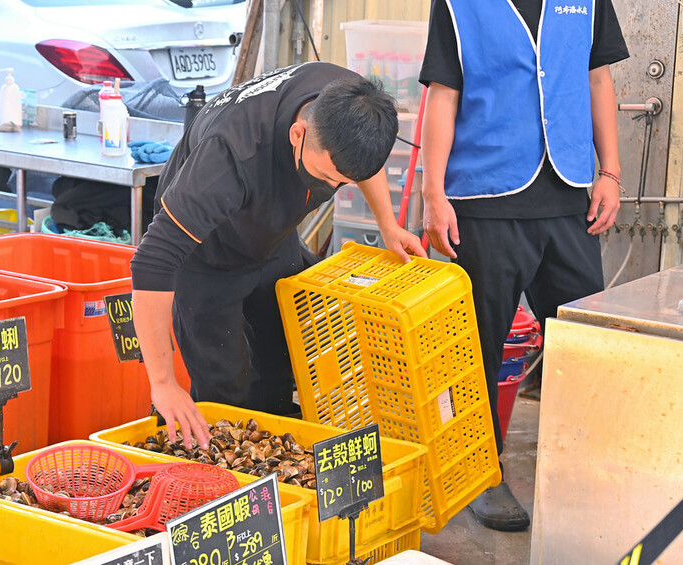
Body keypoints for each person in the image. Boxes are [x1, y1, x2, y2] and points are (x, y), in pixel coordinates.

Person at [130, 62, 426, 449]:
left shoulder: (355, 103)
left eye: (343, 182)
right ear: (297, 133)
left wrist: (388, 224)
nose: (334, 187)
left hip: (273, 238)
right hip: (206, 258)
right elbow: (152, 262)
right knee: (227, 395)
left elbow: (361, 160)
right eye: (327, 178)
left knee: (280, 368)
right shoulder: (230, 154)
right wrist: (163, 384)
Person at [419, 0, 629, 531]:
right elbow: (443, 94)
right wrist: (433, 192)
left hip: (568, 199)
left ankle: (584, 468)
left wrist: (611, 172)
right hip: (484, 199)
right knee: (477, 352)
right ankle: (479, 474)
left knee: (582, 345)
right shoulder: (457, 6)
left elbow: (596, 77)